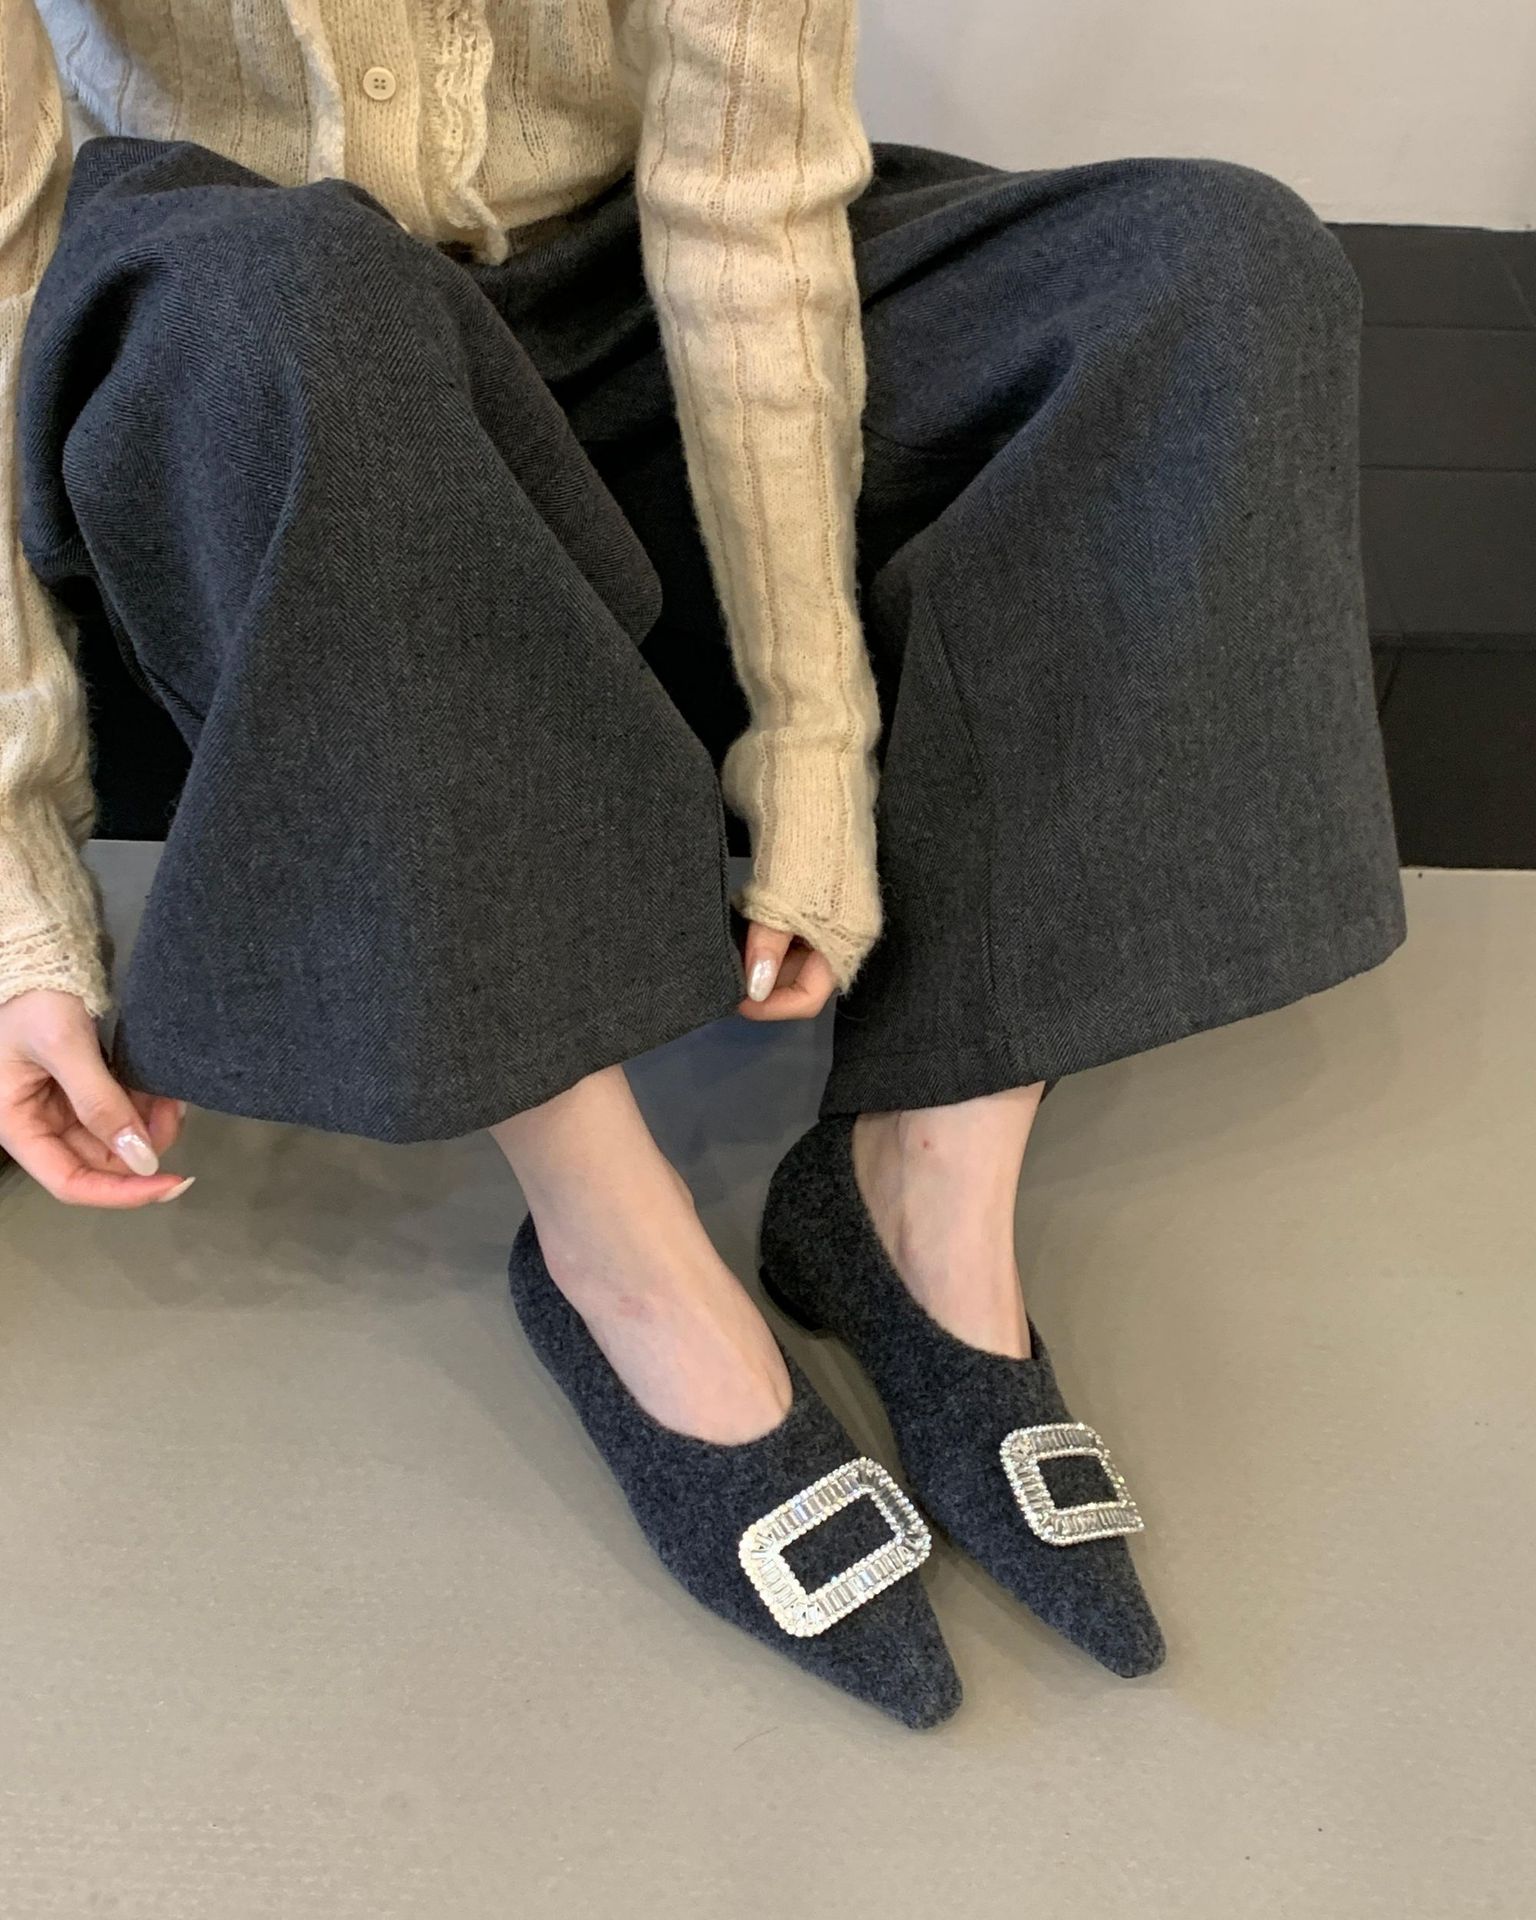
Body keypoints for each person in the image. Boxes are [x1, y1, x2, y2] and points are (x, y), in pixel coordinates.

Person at [0, 0, 1406, 1728]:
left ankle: (922, 1195)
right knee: (298, 306)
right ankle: (614, 1247)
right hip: (223, 308)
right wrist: (17, 895)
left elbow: (745, 200)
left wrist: (810, 741)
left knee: (1219, 268)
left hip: (629, 274)